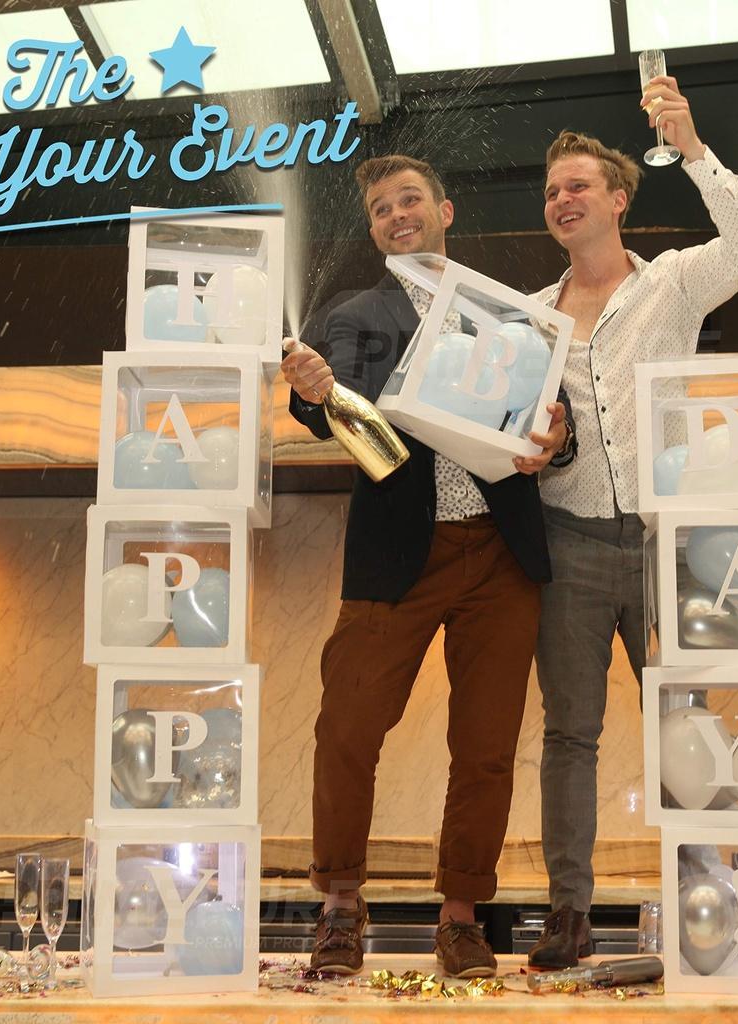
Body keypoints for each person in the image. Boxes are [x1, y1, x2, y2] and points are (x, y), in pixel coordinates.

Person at [281, 154, 573, 978]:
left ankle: (463, 919)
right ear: (374, 230)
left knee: (486, 747)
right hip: (395, 555)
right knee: (346, 730)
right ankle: (340, 907)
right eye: (381, 208)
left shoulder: (512, 313)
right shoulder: (353, 313)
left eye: (410, 200)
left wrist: (557, 439)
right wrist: (313, 390)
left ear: (444, 211)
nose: (397, 215)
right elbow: (328, 403)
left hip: (501, 555)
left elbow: (557, 422)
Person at [526, 75, 738, 968]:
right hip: (568, 543)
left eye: (578, 185)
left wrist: (695, 150)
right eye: (552, 191)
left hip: (669, 543)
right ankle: (567, 913)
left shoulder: (672, 283)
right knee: (569, 735)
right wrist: (537, 447)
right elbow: (523, 435)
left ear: (618, 199)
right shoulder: (530, 317)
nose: (562, 199)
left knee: (686, 721)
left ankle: (707, 894)